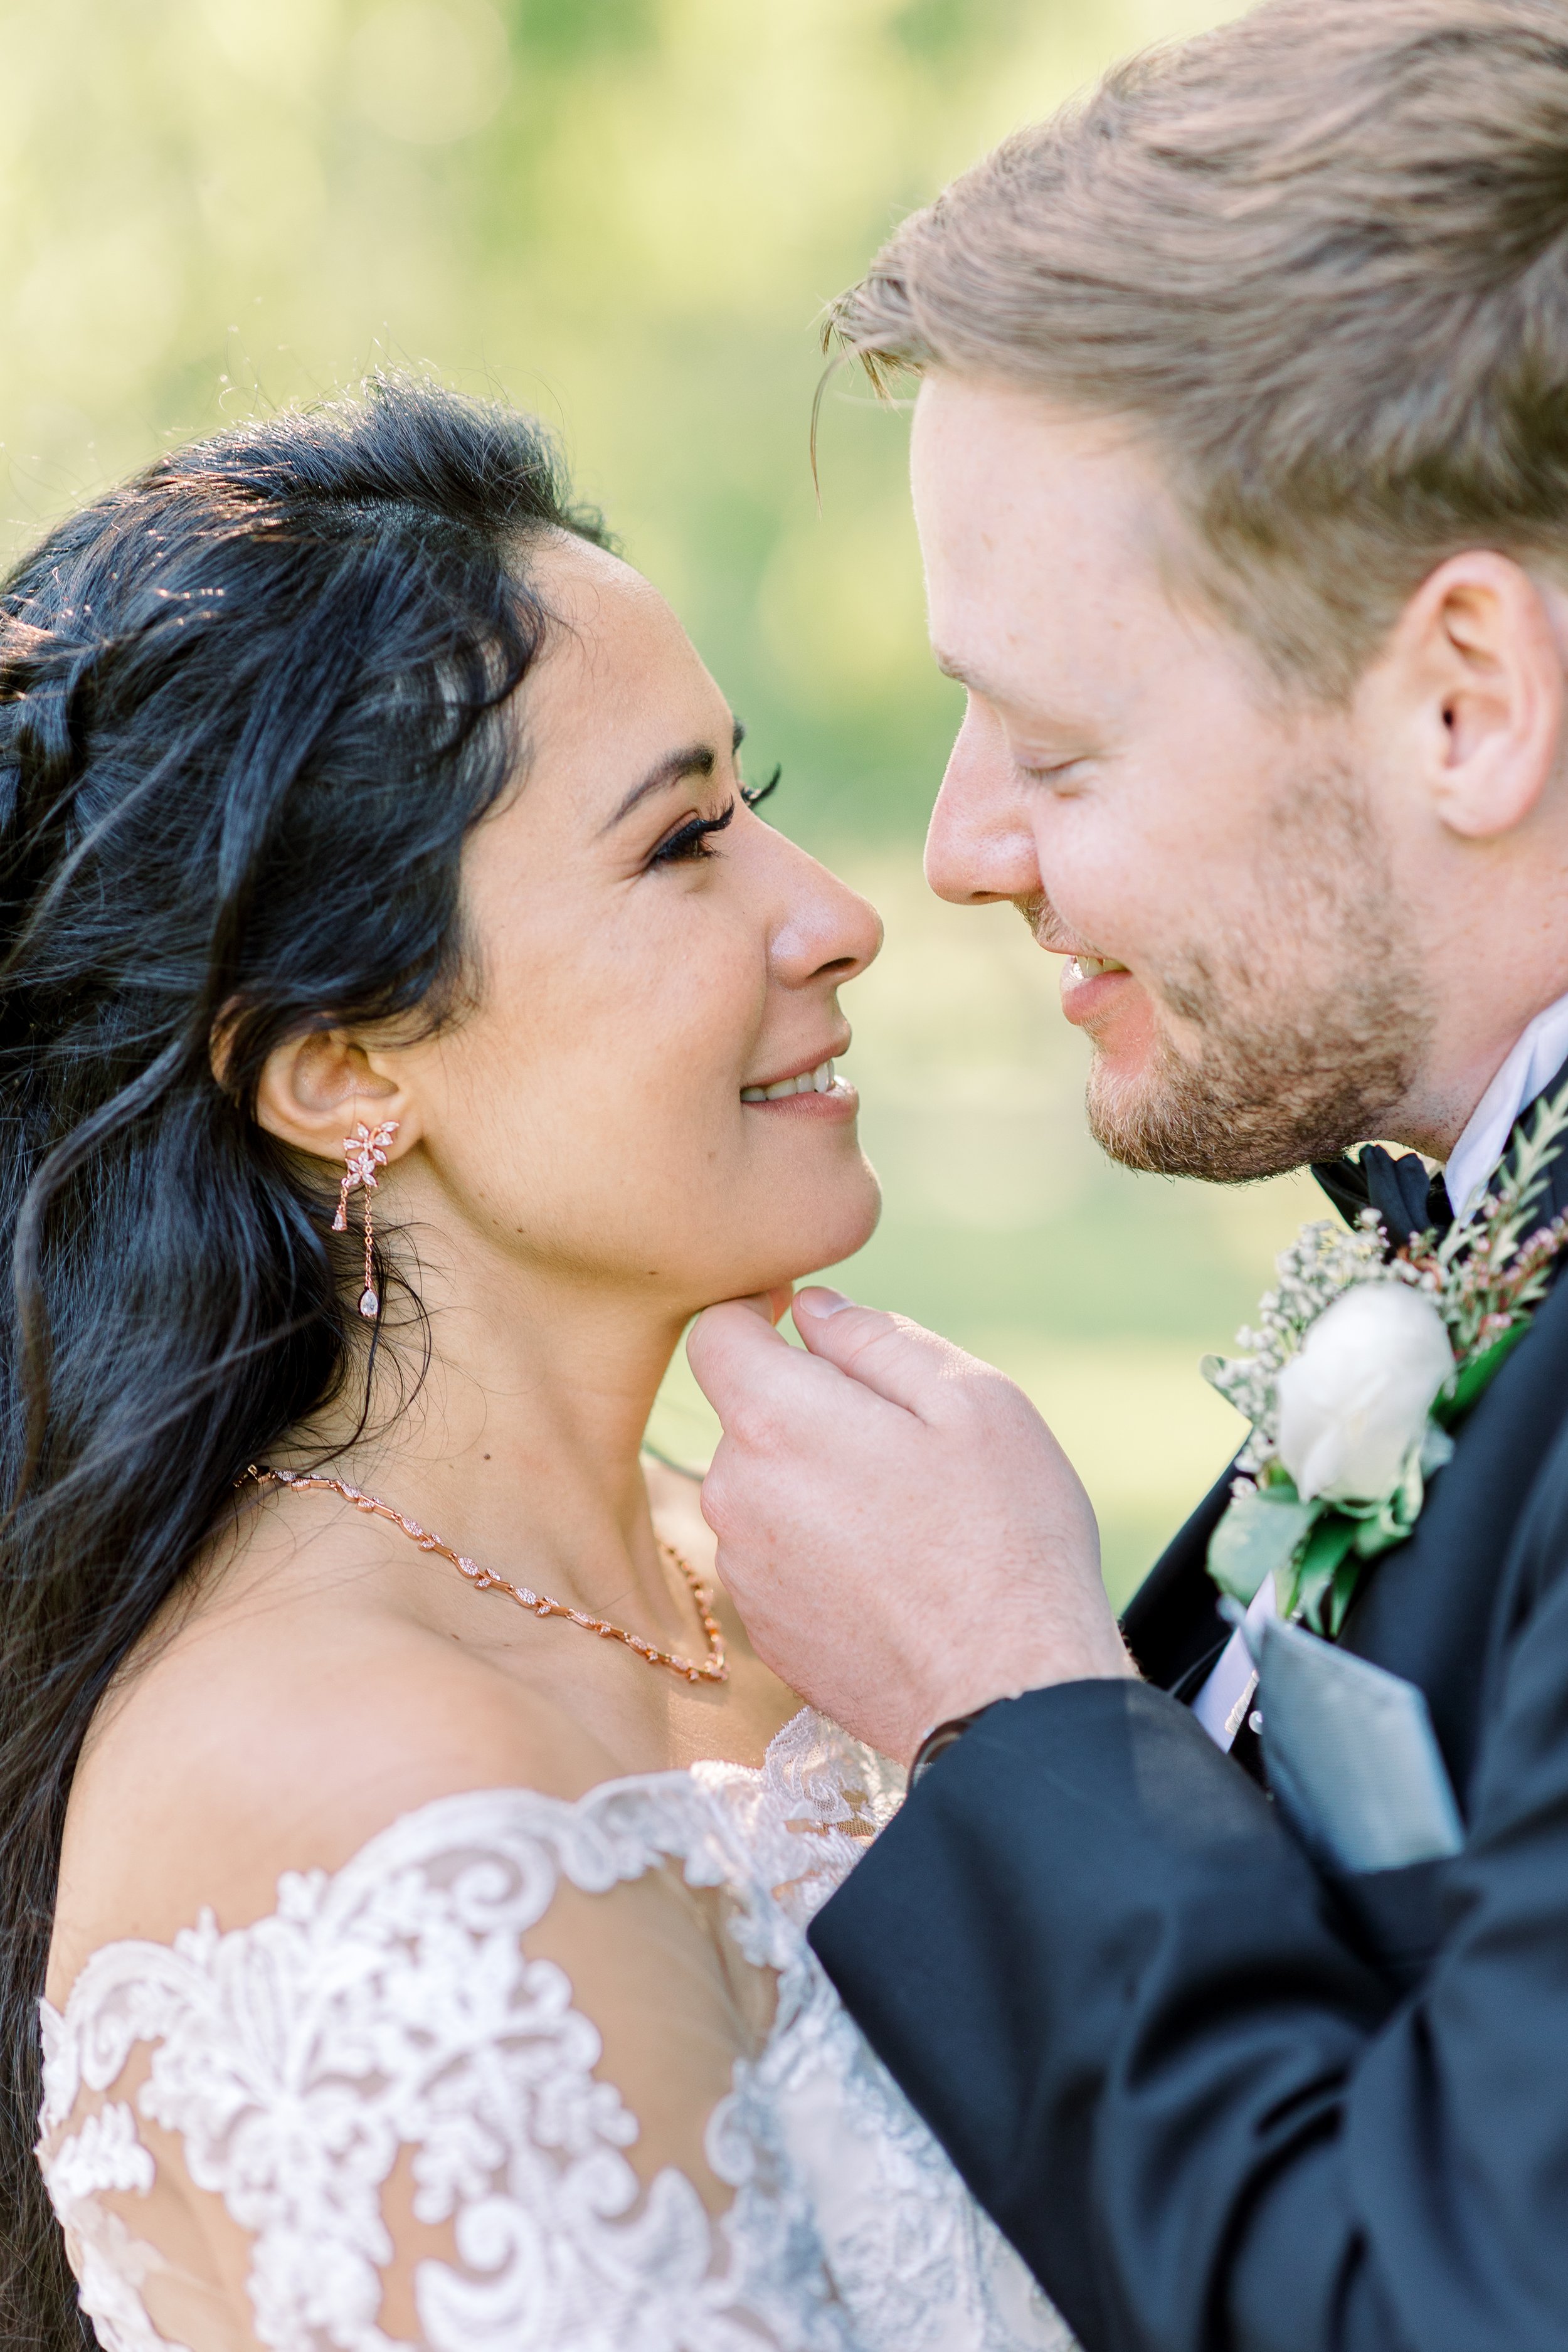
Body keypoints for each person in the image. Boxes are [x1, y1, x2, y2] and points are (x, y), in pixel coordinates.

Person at [4, 379, 1074, 2351]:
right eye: (681, 844)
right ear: (339, 1068)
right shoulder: (362, 1779)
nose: (834, 917)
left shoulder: (813, 1589)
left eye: (750, 804)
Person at [686, 3, 1568, 2346]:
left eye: (1059, 748)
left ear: (1465, 697)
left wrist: (1005, 1704)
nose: (954, 851)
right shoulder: (1480, 1217)